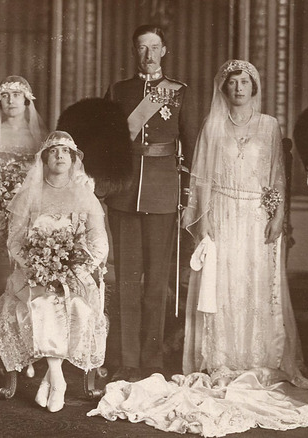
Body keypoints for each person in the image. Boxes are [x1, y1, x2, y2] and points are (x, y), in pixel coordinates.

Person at [89, 60, 308, 436]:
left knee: (253, 286)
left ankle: (259, 357)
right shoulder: (213, 126)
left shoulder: (269, 126)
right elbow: (201, 181)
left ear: (255, 86)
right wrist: (205, 221)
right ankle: (220, 358)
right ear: (224, 89)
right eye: (232, 82)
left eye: (245, 82)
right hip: (221, 216)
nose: (238, 88)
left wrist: (278, 215)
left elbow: (276, 176)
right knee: (224, 285)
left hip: (255, 218)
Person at [103, 24, 196, 381]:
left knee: (157, 281)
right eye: (141, 48)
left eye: (154, 47)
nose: (148, 54)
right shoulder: (118, 91)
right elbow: (108, 143)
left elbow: (191, 146)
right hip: (124, 194)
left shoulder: (180, 93)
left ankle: (153, 359)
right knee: (126, 280)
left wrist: (185, 194)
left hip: (162, 193)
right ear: (134, 52)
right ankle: (127, 360)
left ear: (164, 50)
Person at [0, 131, 109, 413]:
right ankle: (58, 380)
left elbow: (99, 241)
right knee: (43, 305)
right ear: (44, 158)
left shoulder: (85, 196)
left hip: (73, 273)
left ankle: (49, 380)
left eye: (65, 152)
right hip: (33, 274)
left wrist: (79, 267)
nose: (59, 156)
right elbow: (15, 240)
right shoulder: (29, 195)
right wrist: (37, 266)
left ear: (73, 159)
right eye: (54, 151)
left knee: (77, 307)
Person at [0, 75, 48, 380]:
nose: (12, 100)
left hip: (30, 221)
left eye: (18, 95)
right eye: (6, 96)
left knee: (28, 286)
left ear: (27, 101)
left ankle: (27, 349)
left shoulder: (40, 139)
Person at [0, 75, 47, 166]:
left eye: (16, 95)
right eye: (4, 96)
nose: (10, 101)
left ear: (25, 99)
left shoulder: (41, 136)